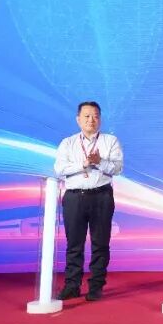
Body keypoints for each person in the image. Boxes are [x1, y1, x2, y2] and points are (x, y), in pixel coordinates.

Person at [53, 102, 124, 301]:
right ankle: (72, 285)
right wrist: (84, 163)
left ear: (100, 119)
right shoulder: (68, 143)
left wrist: (99, 162)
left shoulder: (110, 141)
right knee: (74, 244)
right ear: (78, 119)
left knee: (100, 243)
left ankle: (96, 286)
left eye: (95, 116)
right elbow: (59, 169)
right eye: (86, 116)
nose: (91, 120)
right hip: (74, 197)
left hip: (102, 196)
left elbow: (118, 168)